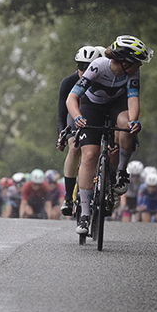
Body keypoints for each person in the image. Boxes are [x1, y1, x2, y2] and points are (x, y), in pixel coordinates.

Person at [66, 35, 153, 236]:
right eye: (137, 62)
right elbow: (72, 98)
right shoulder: (98, 66)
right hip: (91, 107)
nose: (139, 66)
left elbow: (133, 99)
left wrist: (133, 120)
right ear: (123, 62)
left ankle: (121, 172)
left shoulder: (132, 72)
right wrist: (77, 117)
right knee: (89, 155)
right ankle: (85, 214)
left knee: (125, 124)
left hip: (116, 105)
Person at [58, 45, 105, 216]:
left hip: (95, 115)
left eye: (88, 66)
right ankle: (68, 197)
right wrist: (62, 134)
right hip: (75, 115)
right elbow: (61, 114)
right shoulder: (69, 82)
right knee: (74, 146)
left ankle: (103, 184)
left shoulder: (103, 79)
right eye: (80, 66)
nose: (84, 71)